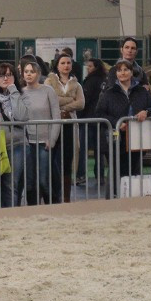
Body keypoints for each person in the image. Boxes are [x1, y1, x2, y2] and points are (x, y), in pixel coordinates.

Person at [95, 59, 151, 195]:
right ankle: (112, 200)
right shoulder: (109, 93)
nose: (122, 73)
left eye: (125, 70)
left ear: (131, 73)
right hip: (115, 139)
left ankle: (131, 199)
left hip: (136, 139)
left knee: (134, 171)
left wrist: (146, 112)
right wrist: (117, 122)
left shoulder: (141, 91)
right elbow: (99, 113)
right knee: (114, 171)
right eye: (119, 70)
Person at [15, 60, 60, 204]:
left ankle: (51, 207)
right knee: (29, 182)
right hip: (27, 143)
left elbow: (56, 116)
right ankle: (32, 209)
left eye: (32, 71)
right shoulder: (20, 93)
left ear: (38, 74)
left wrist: (52, 140)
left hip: (44, 143)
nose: (28, 74)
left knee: (43, 180)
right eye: (26, 71)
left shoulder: (48, 91)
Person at [44, 53, 84, 203]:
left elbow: (81, 104)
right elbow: (50, 99)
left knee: (67, 159)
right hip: (54, 124)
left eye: (68, 63)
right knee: (52, 158)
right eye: (63, 63)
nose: (66, 65)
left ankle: (66, 197)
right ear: (57, 65)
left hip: (70, 124)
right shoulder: (49, 81)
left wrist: (63, 104)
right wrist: (70, 100)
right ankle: (53, 195)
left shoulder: (77, 84)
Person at [0, 62, 22, 208]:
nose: (5, 79)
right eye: (2, 75)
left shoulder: (20, 94)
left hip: (16, 144)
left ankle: (11, 214)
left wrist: (13, 91)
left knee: (11, 184)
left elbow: (22, 116)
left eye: (9, 75)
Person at [78, 57, 107, 187]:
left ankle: (81, 175)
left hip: (88, 118)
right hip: (100, 119)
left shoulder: (90, 81)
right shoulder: (104, 80)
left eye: (90, 66)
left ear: (95, 67)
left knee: (83, 150)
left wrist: (79, 115)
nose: (88, 69)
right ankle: (100, 176)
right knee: (99, 150)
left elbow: (86, 99)